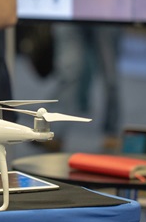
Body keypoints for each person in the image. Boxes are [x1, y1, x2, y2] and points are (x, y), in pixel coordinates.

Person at [50, 23, 123, 152]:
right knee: (69, 72)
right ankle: (55, 133)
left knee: (110, 76)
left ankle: (112, 131)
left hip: (106, 13)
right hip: (73, 13)